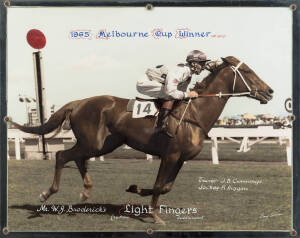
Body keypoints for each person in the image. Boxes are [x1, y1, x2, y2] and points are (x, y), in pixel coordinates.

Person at [136, 50, 210, 137]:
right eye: (202, 63)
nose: (203, 66)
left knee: (177, 96)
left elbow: (179, 93)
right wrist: (188, 94)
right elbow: (171, 92)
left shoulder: (188, 73)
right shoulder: (181, 71)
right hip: (145, 83)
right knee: (171, 95)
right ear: (193, 63)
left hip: (157, 82)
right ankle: (160, 127)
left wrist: (186, 95)